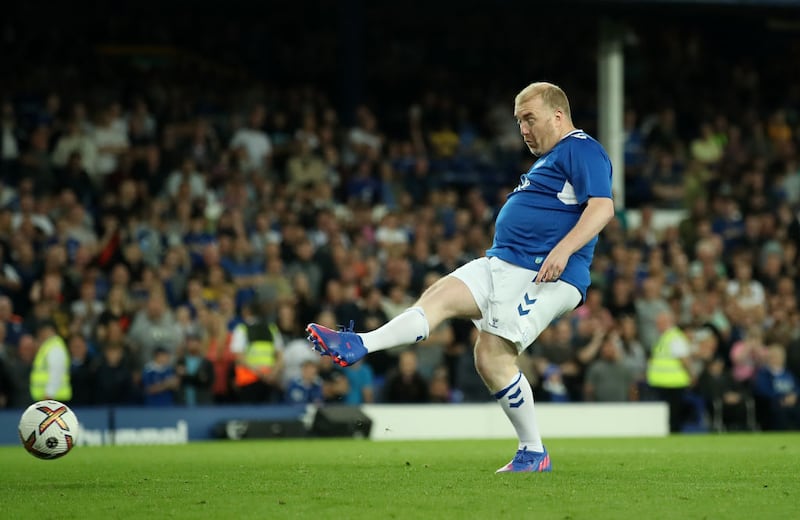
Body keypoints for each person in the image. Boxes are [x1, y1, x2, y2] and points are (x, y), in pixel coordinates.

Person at [306, 82, 614, 473]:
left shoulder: (581, 147)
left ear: (558, 115)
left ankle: (534, 452)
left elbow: (602, 208)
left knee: (493, 354)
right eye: (519, 121)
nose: (523, 129)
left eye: (529, 119)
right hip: (502, 262)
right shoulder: (549, 160)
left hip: (544, 272)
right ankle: (358, 344)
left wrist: (564, 249)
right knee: (438, 300)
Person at [646, 309, 694, 433]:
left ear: (668, 322)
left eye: (660, 322)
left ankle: (674, 435)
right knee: (668, 415)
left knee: (673, 416)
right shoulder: (665, 337)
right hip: (664, 383)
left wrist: (691, 375)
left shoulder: (674, 337)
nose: (657, 326)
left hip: (674, 383)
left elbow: (684, 359)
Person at [30, 320, 72, 402]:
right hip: (49, 398)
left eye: (41, 331)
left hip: (53, 398)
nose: (40, 335)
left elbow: (56, 372)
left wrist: (49, 394)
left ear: (49, 330)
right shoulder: (48, 346)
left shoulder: (55, 347)